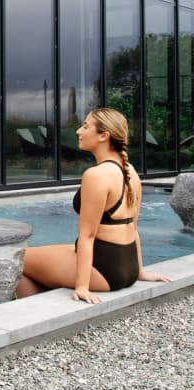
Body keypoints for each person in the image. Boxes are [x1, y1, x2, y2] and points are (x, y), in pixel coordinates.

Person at [16, 107, 171, 303]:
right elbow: (133, 227)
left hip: (103, 271)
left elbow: (87, 236)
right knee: (49, 254)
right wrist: (139, 271)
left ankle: (35, 315)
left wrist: (82, 287)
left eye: (85, 126)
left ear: (103, 136)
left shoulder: (96, 175)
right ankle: (45, 306)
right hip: (127, 266)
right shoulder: (130, 171)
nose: (78, 131)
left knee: (16, 259)